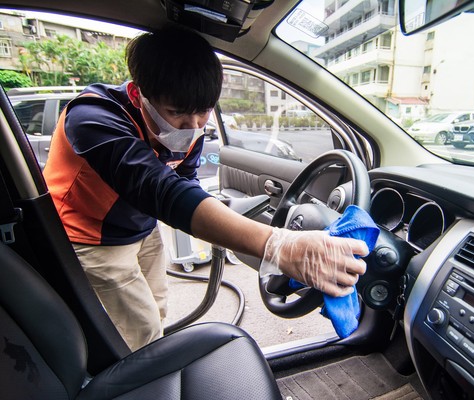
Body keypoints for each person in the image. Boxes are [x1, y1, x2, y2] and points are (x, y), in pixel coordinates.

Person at [43, 25, 369, 351]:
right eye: (177, 114)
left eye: (204, 112)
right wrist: (278, 247)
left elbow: (184, 180)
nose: (194, 127)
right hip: (90, 238)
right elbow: (158, 189)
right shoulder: (92, 118)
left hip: (140, 228)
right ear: (137, 95)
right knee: (136, 333)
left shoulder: (191, 126)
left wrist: (218, 217)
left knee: (156, 306)